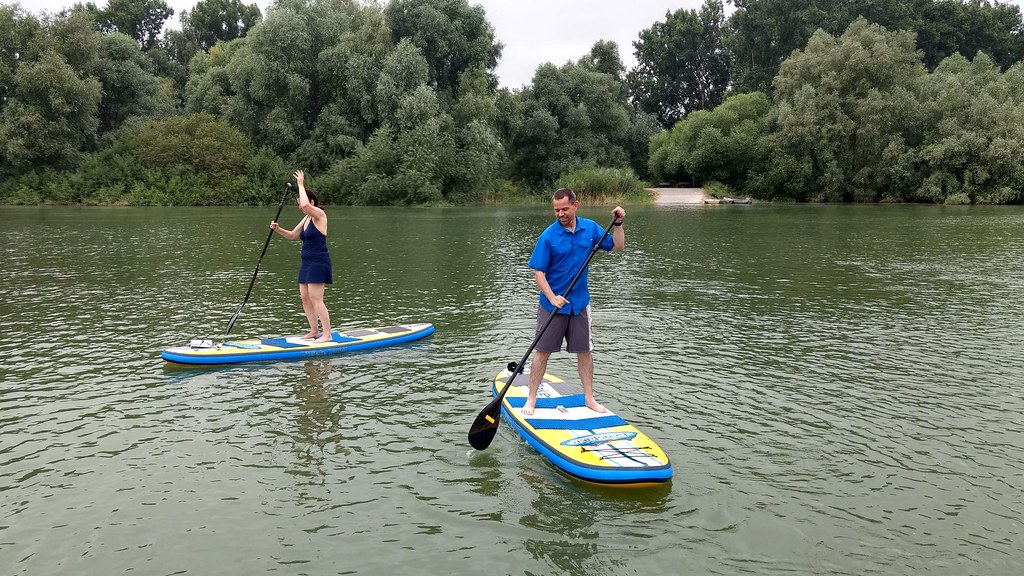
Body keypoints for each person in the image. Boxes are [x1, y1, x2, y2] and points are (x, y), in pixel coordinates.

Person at [521, 188, 625, 416]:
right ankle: (531, 398)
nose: (560, 214)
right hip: (552, 305)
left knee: (585, 352)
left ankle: (589, 398)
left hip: (579, 304)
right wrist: (552, 297)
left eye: (565, 209)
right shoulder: (548, 236)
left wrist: (617, 224)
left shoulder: (590, 229)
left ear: (575, 206)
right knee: (542, 352)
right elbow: (539, 273)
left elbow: (617, 246)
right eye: (556, 210)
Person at [270, 170, 334, 343]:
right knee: (305, 299)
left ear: (311, 202)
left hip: (318, 262)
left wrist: (300, 184)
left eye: (301, 203)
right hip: (306, 263)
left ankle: (327, 335)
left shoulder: (319, 215)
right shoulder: (306, 219)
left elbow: (305, 206)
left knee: (316, 299)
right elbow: (292, 235)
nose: (300, 207)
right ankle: (314, 331)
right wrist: (278, 229)